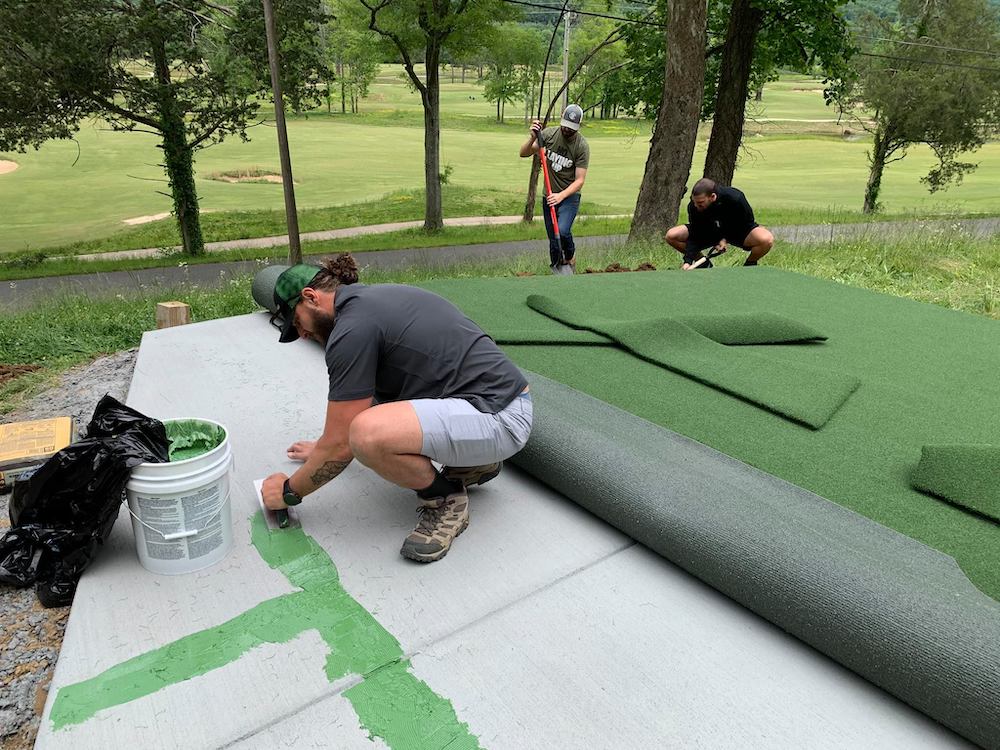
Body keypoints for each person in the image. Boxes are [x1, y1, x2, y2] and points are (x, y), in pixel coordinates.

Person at [261, 254, 533, 563]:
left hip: (501, 419)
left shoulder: (352, 330)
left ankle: (444, 498)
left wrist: (288, 491)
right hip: (497, 403)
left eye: (298, 323)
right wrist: (324, 448)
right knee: (364, 415)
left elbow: (342, 445)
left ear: (310, 298)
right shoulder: (370, 302)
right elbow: (342, 427)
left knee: (365, 433)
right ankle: (474, 462)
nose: (304, 335)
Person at [519, 104, 590, 272]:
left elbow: (580, 180)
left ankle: (570, 257)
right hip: (549, 196)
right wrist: (532, 138)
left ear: (578, 126)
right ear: (561, 120)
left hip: (569, 197)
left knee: (563, 231)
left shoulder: (581, 146)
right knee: (553, 239)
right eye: (565, 126)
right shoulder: (549, 135)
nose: (567, 130)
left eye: (571, 128)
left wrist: (561, 196)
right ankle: (556, 269)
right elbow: (524, 153)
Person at [666, 178, 774, 269]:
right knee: (671, 235)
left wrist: (725, 239)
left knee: (766, 239)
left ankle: (749, 265)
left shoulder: (736, 198)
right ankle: (703, 264)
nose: (696, 206)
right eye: (694, 202)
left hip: (737, 232)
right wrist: (688, 261)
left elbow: (747, 223)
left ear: (712, 197)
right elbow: (695, 234)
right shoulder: (694, 207)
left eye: (700, 203)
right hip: (710, 232)